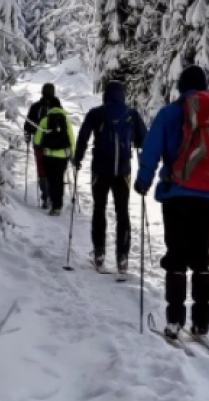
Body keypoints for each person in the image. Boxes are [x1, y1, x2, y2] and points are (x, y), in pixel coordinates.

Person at [134, 65, 209, 339]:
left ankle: (174, 320)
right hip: (208, 197)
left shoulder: (170, 113)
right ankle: (202, 321)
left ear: (181, 87)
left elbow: (151, 150)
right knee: (201, 257)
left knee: (177, 257)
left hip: (176, 195)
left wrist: (144, 180)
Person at [73, 81, 147, 275]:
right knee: (122, 212)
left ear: (106, 94)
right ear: (122, 95)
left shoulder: (96, 113)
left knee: (99, 209)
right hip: (123, 171)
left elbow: (83, 136)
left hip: (100, 170)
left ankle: (99, 253)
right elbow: (144, 140)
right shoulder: (132, 114)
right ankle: (122, 257)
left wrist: (77, 158)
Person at [33, 96, 75, 216]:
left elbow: (37, 140)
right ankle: (58, 206)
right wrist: (72, 155)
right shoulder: (66, 120)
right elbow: (71, 139)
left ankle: (52, 202)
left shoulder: (45, 120)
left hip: (49, 155)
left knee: (51, 180)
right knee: (59, 180)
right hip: (63, 156)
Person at [24, 83, 57, 209]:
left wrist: (27, 136)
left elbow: (28, 124)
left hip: (39, 144)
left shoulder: (35, 107)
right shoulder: (57, 107)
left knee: (42, 171)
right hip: (55, 145)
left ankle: (45, 196)